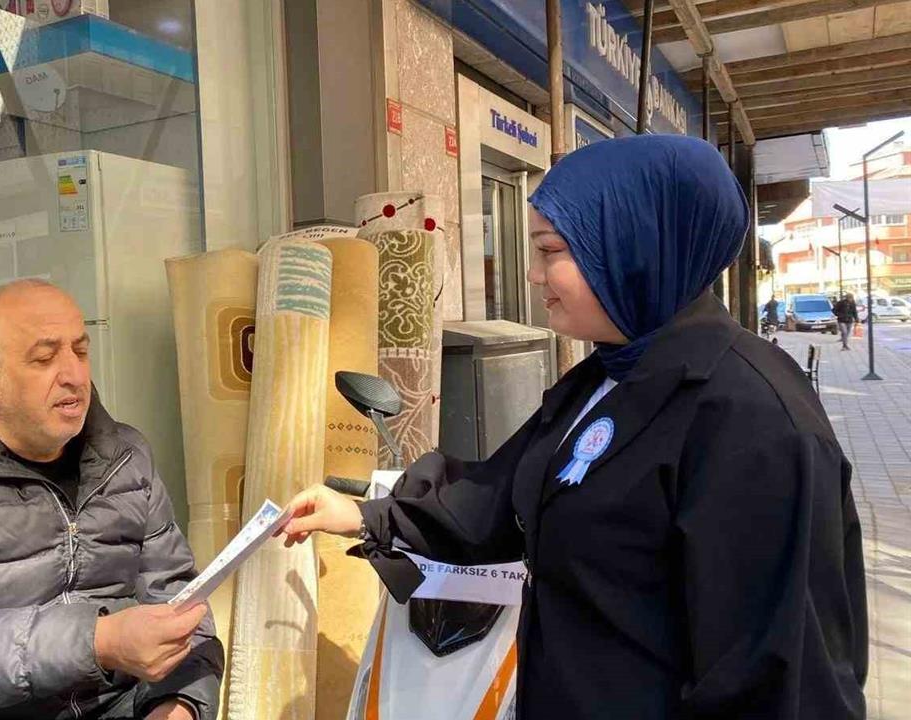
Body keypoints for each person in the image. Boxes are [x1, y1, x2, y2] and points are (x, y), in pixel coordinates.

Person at [279, 135, 867, 719]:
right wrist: (368, 515)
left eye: (551, 250)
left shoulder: (752, 420)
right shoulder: (607, 375)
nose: (533, 275)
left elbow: (779, 681)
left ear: (634, 249)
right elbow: (502, 495)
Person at [0, 279, 221, 720]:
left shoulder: (127, 456)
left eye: (80, 352)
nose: (74, 376)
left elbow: (179, 600)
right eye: (45, 358)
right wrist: (98, 641)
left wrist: (180, 704)